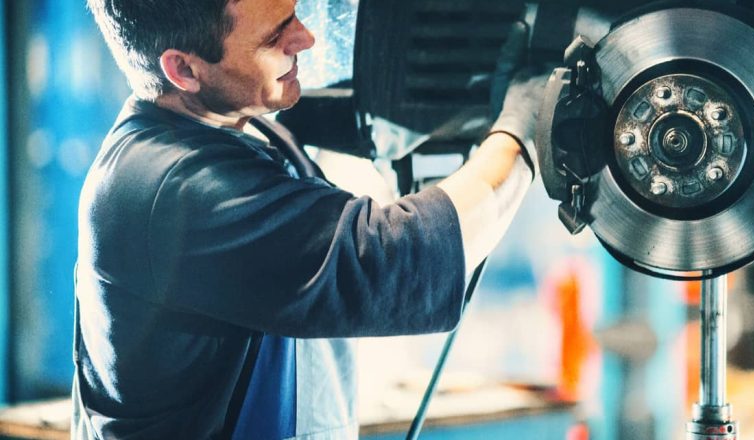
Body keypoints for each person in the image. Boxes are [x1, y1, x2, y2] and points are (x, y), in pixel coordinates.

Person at [74, 0, 545, 438]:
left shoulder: (237, 129)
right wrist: (522, 126)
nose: (306, 39)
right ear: (183, 69)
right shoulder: (173, 187)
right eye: (274, 36)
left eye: (296, 13)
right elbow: (395, 260)